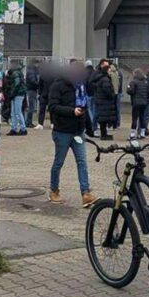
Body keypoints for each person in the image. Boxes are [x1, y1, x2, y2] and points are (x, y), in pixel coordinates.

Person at [47, 61, 97, 207]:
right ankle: (54, 190)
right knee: (59, 162)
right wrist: (72, 111)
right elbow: (53, 107)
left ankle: (85, 193)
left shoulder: (81, 87)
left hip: (78, 131)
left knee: (82, 161)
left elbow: (85, 107)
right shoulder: (58, 86)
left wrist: (89, 128)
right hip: (62, 131)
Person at [88, 60, 117, 140]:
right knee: (102, 117)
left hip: (101, 100)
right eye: (109, 70)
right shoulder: (105, 79)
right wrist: (112, 95)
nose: (111, 71)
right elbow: (107, 90)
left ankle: (102, 133)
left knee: (102, 117)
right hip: (105, 101)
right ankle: (102, 134)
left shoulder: (101, 78)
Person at [127, 68, 149, 140]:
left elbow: (131, 91)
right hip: (144, 103)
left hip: (136, 103)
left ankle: (132, 134)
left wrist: (128, 88)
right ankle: (142, 134)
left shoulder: (133, 82)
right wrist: (146, 100)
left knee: (135, 118)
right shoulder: (145, 82)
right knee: (142, 117)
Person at [6, 62, 27, 136]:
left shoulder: (15, 74)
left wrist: (12, 93)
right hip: (18, 94)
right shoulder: (19, 73)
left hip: (17, 94)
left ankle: (21, 128)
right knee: (16, 112)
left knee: (16, 112)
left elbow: (16, 84)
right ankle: (17, 128)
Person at [25, 60, 42, 130]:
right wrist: (39, 84)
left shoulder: (31, 71)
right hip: (32, 90)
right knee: (31, 107)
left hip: (32, 90)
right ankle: (28, 122)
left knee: (31, 107)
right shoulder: (32, 72)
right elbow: (33, 81)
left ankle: (28, 121)